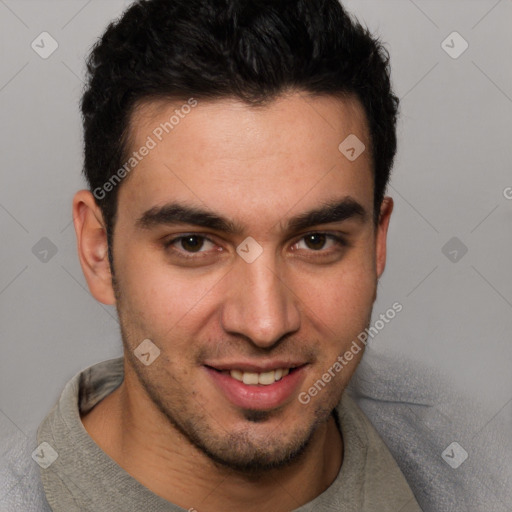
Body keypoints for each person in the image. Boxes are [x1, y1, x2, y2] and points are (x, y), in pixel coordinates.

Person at [32, 0, 424, 510]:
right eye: (193, 243)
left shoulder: (482, 471)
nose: (264, 324)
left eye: (316, 240)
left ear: (377, 242)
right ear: (98, 251)